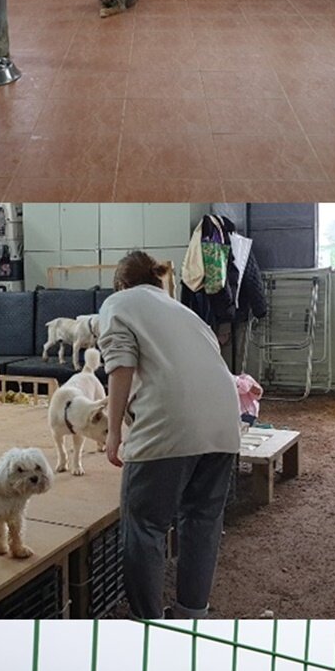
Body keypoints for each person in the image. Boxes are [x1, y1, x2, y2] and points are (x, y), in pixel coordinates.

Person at [97, 249, 241, 618]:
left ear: (121, 283)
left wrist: (113, 433)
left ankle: (150, 623)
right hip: (225, 423)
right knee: (202, 521)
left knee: (145, 524)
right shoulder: (183, 311)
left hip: (171, 423)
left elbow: (120, 367)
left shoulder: (117, 303)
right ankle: (193, 614)